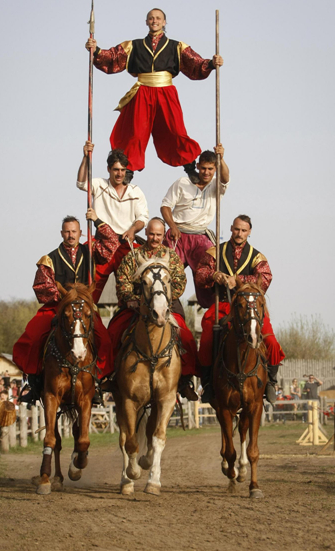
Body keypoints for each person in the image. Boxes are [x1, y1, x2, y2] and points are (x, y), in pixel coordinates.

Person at [85, 8, 223, 180]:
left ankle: (188, 165)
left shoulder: (176, 46)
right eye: (151, 18)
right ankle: (128, 169)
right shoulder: (133, 45)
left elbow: (195, 63)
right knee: (136, 132)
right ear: (146, 22)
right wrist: (96, 50)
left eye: (158, 18)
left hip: (166, 91)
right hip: (142, 91)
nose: (154, 21)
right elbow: (112, 57)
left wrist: (210, 63)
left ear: (164, 22)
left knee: (176, 129)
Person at [13, 215, 119, 405]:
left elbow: (113, 243)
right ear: (62, 233)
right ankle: (34, 382)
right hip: (59, 307)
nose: (71, 235)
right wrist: (65, 299)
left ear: (80, 233)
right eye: (67, 232)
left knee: (104, 340)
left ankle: (98, 381)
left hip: (85, 308)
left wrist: (97, 221)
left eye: (74, 231)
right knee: (33, 336)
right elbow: (42, 285)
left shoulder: (92, 251)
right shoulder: (49, 258)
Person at [195, 215, 285, 404]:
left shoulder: (257, 256)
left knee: (272, 342)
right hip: (223, 304)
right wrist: (215, 275)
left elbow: (265, 278)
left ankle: (270, 382)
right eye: (237, 229)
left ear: (249, 232)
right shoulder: (215, 252)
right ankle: (209, 384)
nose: (239, 233)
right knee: (206, 341)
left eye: (244, 230)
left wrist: (238, 280)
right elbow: (200, 274)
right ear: (231, 228)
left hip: (250, 305)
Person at [107, 217, 199, 401]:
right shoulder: (133, 255)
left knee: (186, 337)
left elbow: (180, 281)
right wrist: (131, 299)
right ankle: (110, 376)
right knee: (113, 332)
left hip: (167, 304)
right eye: (151, 234)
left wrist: (165, 299)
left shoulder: (171, 256)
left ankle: (185, 380)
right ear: (146, 233)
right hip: (136, 306)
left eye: (158, 234)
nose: (155, 238)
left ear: (162, 235)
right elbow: (123, 281)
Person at [77, 143, 149, 302]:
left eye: (123, 170)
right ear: (109, 169)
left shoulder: (135, 191)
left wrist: (132, 230)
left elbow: (143, 218)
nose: (119, 174)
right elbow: (81, 183)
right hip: (103, 245)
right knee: (90, 292)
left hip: (125, 244)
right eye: (116, 169)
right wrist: (86, 157)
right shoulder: (99, 185)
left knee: (132, 289)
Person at [161, 144, 230, 307]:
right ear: (198, 166)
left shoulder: (215, 185)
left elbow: (226, 178)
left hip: (200, 236)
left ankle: (212, 313)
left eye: (210, 169)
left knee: (209, 274)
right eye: (204, 168)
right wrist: (173, 226)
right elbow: (165, 206)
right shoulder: (182, 183)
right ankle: (164, 307)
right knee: (165, 272)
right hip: (177, 234)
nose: (206, 172)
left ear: (215, 169)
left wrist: (221, 158)